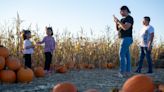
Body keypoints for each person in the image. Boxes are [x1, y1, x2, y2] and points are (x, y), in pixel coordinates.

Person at [113, 6, 134, 77]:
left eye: (121, 11)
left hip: (127, 38)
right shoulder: (122, 19)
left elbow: (125, 27)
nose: (120, 13)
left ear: (125, 10)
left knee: (121, 54)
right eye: (120, 11)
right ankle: (128, 72)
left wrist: (119, 22)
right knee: (127, 56)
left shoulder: (129, 18)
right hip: (123, 38)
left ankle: (122, 72)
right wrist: (116, 22)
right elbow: (118, 28)